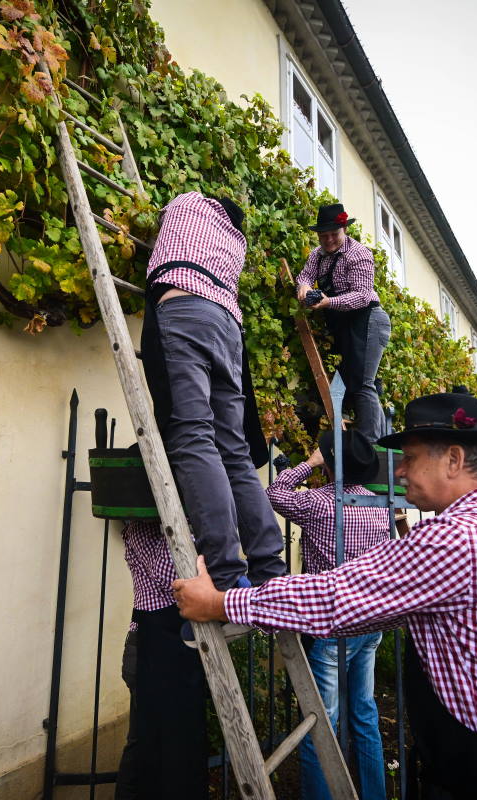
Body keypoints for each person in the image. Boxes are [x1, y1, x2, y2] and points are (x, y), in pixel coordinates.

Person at [174, 389, 477, 799]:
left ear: (454, 460)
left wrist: (220, 602)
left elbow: (337, 595)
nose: (399, 469)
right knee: (361, 711)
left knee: (328, 717)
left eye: (411, 458)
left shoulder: (459, 537)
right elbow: (382, 599)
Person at [140, 191, 286, 592]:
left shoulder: (188, 202)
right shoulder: (234, 242)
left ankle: (223, 577)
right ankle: (270, 570)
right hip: (227, 326)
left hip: (185, 311)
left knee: (192, 436)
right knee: (234, 450)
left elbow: (159, 214)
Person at [266, 429, 390, 800]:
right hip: (371, 621)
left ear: (331, 463)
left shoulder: (320, 504)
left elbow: (274, 493)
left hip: (335, 625)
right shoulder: (379, 505)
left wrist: (310, 462)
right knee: (365, 715)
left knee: (320, 722)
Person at [116, 520, 207, 799]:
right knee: (148, 743)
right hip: (150, 644)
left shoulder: (146, 527)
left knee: (153, 740)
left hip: (157, 642)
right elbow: (171, 581)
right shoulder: (148, 527)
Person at [294, 203, 392, 440]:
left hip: (368, 319)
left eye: (333, 235)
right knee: (349, 381)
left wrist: (328, 303)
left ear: (344, 230)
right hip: (345, 324)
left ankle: (370, 444)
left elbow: (362, 296)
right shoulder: (318, 255)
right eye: (323, 236)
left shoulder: (359, 254)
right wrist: (304, 287)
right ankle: (370, 437)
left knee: (362, 382)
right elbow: (305, 276)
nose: (328, 240)